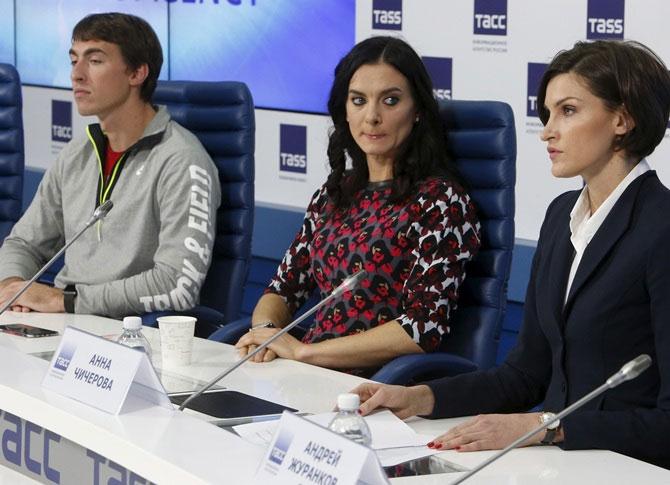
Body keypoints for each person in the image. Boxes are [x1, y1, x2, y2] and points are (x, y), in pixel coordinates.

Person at [352, 39, 670, 469]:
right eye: (549, 112)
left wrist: (548, 426)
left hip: (627, 467)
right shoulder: (562, 217)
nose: (548, 130)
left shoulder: (662, 226)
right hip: (559, 462)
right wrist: (419, 397)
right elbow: (525, 375)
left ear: (623, 119)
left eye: (569, 111)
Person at [235, 36, 480, 374]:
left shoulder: (441, 202)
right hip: (308, 373)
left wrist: (305, 353)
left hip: (380, 388)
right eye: (359, 101)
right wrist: (265, 331)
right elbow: (283, 288)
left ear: (418, 110)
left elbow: (421, 329)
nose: (372, 116)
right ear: (344, 111)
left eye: (390, 101)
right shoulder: (333, 194)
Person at [0, 13, 220, 318]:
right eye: (73, 60)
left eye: (95, 61)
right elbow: (24, 243)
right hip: (57, 324)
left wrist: (65, 302)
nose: (76, 75)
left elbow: (177, 285)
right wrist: (13, 289)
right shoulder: (77, 153)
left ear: (137, 73)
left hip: (127, 336)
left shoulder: (182, 160)